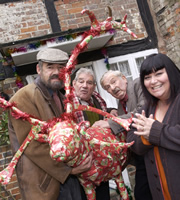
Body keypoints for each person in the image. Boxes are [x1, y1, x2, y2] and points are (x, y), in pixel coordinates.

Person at [8, 48, 93, 200]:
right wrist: (68, 170)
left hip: (68, 179)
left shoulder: (61, 97)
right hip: (44, 185)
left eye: (61, 67)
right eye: (50, 67)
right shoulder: (23, 96)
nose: (56, 72)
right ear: (38, 69)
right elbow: (32, 144)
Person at [127, 53, 180, 200]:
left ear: (171, 73)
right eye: (147, 77)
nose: (153, 81)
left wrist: (155, 131)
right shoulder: (147, 108)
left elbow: (154, 131)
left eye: (159, 74)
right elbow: (132, 140)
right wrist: (145, 138)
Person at [93, 70, 152, 200]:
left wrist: (111, 122)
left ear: (124, 78)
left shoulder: (138, 84)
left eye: (113, 81)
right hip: (141, 155)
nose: (113, 88)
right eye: (108, 88)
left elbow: (143, 111)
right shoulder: (120, 105)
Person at [72, 67, 116, 200]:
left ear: (94, 86)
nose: (85, 86)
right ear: (74, 84)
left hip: (101, 160)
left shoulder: (97, 100)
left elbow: (100, 114)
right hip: (83, 165)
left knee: (104, 196)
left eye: (89, 83)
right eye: (81, 81)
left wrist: (111, 110)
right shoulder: (66, 105)